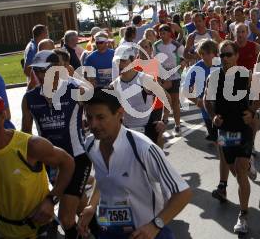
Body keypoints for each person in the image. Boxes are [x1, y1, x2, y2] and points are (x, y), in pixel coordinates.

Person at [78, 88, 192, 238]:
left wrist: (155, 226)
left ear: (119, 113)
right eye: (89, 117)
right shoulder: (91, 144)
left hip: (146, 233)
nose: (93, 125)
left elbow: (183, 192)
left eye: (100, 117)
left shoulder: (143, 148)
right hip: (109, 231)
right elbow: (103, 177)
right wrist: (92, 206)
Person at [21, 50, 93, 238]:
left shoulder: (75, 90)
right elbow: (26, 135)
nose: (40, 75)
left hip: (77, 159)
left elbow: (101, 110)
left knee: (66, 218)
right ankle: (101, 231)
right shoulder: (29, 99)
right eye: (36, 71)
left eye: (45, 70)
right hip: (52, 164)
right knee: (80, 206)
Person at [0, 93, 75, 239]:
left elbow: (68, 163)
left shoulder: (30, 146)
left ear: (2, 116)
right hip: (4, 232)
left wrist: (51, 200)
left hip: (41, 232)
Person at [204, 40, 260, 235]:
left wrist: (252, 111)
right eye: (222, 55)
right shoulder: (213, 77)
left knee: (240, 170)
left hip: (243, 129)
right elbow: (206, 100)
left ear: (237, 56)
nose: (225, 58)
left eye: (229, 54)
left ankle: (243, 215)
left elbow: (258, 95)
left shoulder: (246, 75)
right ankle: (247, 165)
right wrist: (213, 117)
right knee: (233, 170)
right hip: (225, 131)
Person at [111, 44, 168, 148]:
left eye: (123, 61)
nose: (120, 64)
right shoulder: (114, 86)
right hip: (126, 131)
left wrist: (164, 121)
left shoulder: (146, 79)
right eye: (118, 61)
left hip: (149, 129)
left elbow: (167, 97)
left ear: (132, 60)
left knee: (153, 162)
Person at [183, 39, 220, 142]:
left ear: (214, 53)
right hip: (207, 109)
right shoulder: (195, 69)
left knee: (225, 140)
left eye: (208, 53)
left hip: (224, 106)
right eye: (202, 53)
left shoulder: (222, 64)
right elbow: (186, 90)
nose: (205, 56)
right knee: (216, 140)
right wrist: (196, 101)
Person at [154, 24, 186, 135]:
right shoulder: (156, 45)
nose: (161, 35)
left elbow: (184, 56)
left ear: (169, 33)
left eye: (164, 33)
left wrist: (182, 61)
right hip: (162, 76)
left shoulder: (176, 45)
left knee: (175, 102)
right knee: (166, 100)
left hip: (175, 75)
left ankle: (177, 125)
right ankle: (165, 119)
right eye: (160, 33)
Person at [23, 24, 49, 89]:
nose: (47, 35)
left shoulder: (34, 45)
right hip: (37, 87)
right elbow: (27, 70)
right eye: (46, 33)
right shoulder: (33, 48)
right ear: (42, 34)